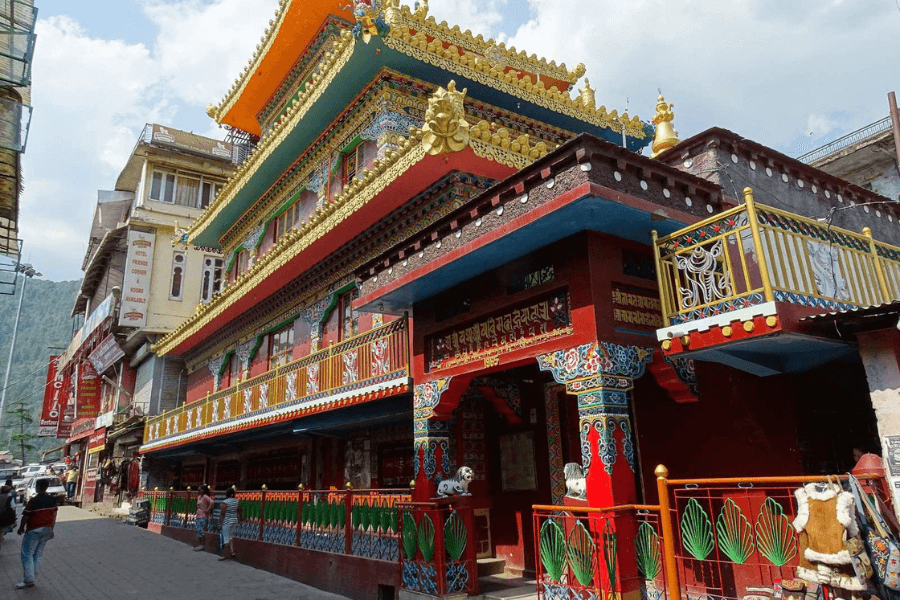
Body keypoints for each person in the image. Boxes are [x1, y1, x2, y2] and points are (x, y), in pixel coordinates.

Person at [16, 477, 58, 589]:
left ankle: (29, 580)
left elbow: (25, 516)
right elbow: (54, 516)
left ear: (38, 487)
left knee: (27, 554)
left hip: (34, 530)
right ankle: (32, 575)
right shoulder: (53, 500)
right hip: (47, 529)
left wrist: (21, 528)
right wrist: (51, 529)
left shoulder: (33, 501)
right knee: (38, 553)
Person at [217, 487, 241, 561]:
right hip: (234, 520)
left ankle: (224, 555)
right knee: (230, 536)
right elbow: (239, 510)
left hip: (227, 521)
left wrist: (219, 522)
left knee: (226, 538)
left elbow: (223, 513)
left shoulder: (225, 502)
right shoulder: (236, 501)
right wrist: (240, 518)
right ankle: (232, 551)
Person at [193, 485, 213, 551]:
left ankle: (202, 545)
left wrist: (207, 509)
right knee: (198, 530)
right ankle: (199, 544)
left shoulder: (205, 496)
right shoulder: (199, 497)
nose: (199, 491)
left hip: (203, 516)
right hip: (198, 515)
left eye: (200, 490)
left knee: (202, 530)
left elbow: (212, 502)